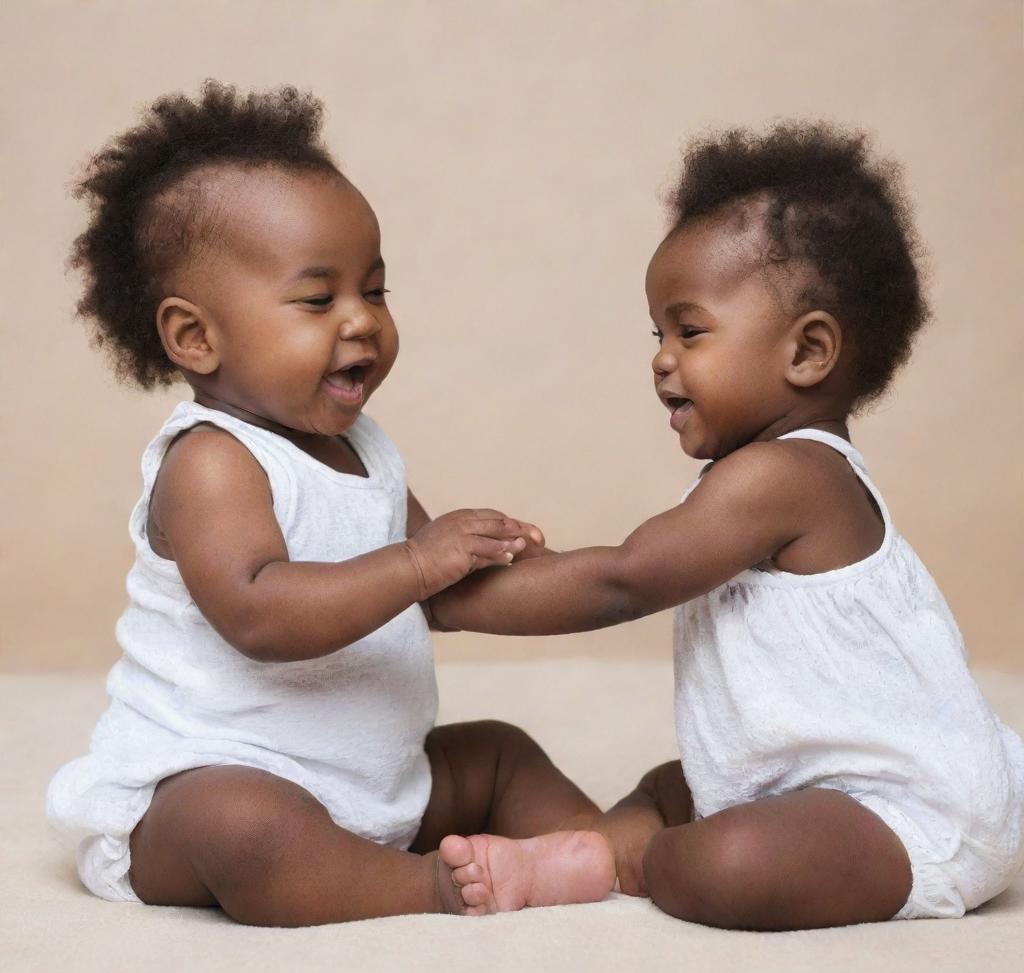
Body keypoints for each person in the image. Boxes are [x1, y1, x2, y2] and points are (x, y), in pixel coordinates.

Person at [46, 82, 615, 926]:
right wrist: (420, 559)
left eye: (375, 292)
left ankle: (615, 852)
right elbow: (258, 613)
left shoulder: (364, 447)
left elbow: (446, 596)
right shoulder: (211, 462)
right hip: (210, 778)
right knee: (247, 829)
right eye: (319, 300)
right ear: (195, 337)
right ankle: (433, 887)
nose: (361, 323)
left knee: (499, 755)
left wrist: (589, 571)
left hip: (379, 778)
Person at [431, 123, 1024, 929]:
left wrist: (444, 596)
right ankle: (589, 847)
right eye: (658, 334)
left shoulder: (790, 477)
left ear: (807, 352)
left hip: (908, 813)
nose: (662, 359)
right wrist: (529, 567)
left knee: (724, 862)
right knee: (677, 785)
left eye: (691, 330)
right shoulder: (758, 478)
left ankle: (617, 858)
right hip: (802, 783)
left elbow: (625, 578)